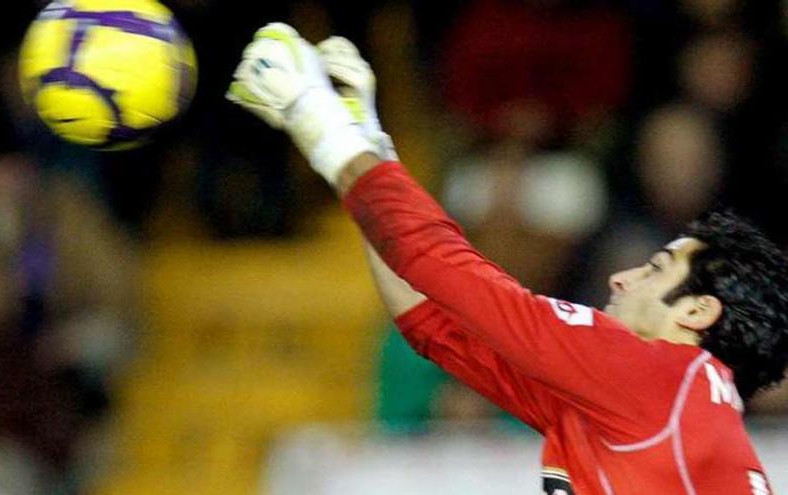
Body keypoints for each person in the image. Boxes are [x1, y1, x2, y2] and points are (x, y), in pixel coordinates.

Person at [226, 23, 788, 494]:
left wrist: (318, 122)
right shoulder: (643, 405)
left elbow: (445, 268)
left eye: (656, 268)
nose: (622, 276)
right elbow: (435, 324)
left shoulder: (655, 376)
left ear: (697, 313)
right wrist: (368, 146)